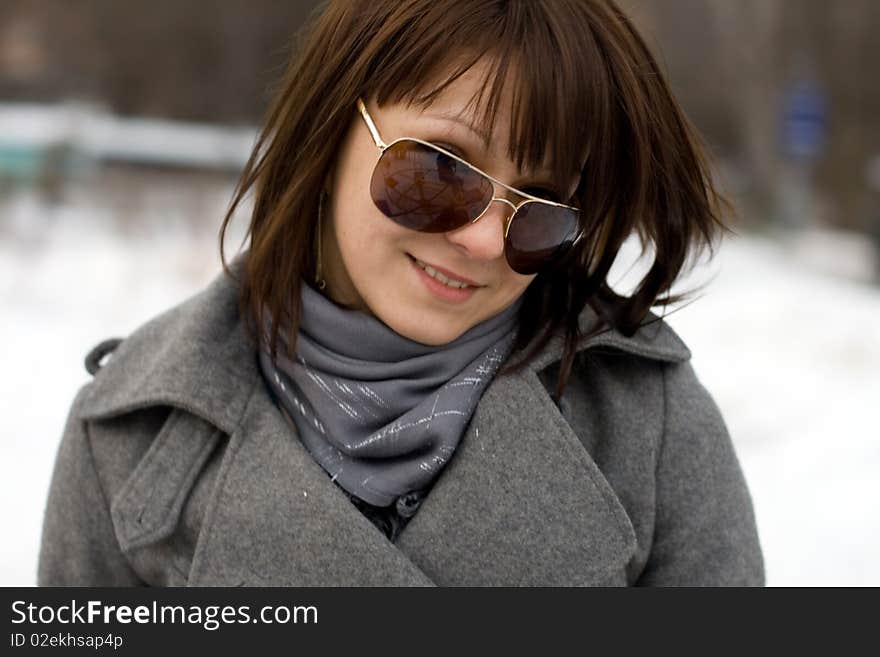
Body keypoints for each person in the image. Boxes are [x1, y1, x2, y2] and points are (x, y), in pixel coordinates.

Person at [38, 0, 764, 586]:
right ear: (330, 132)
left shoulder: (649, 426)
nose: (483, 241)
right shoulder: (126, 437)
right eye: (441, 170)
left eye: (540, 207)